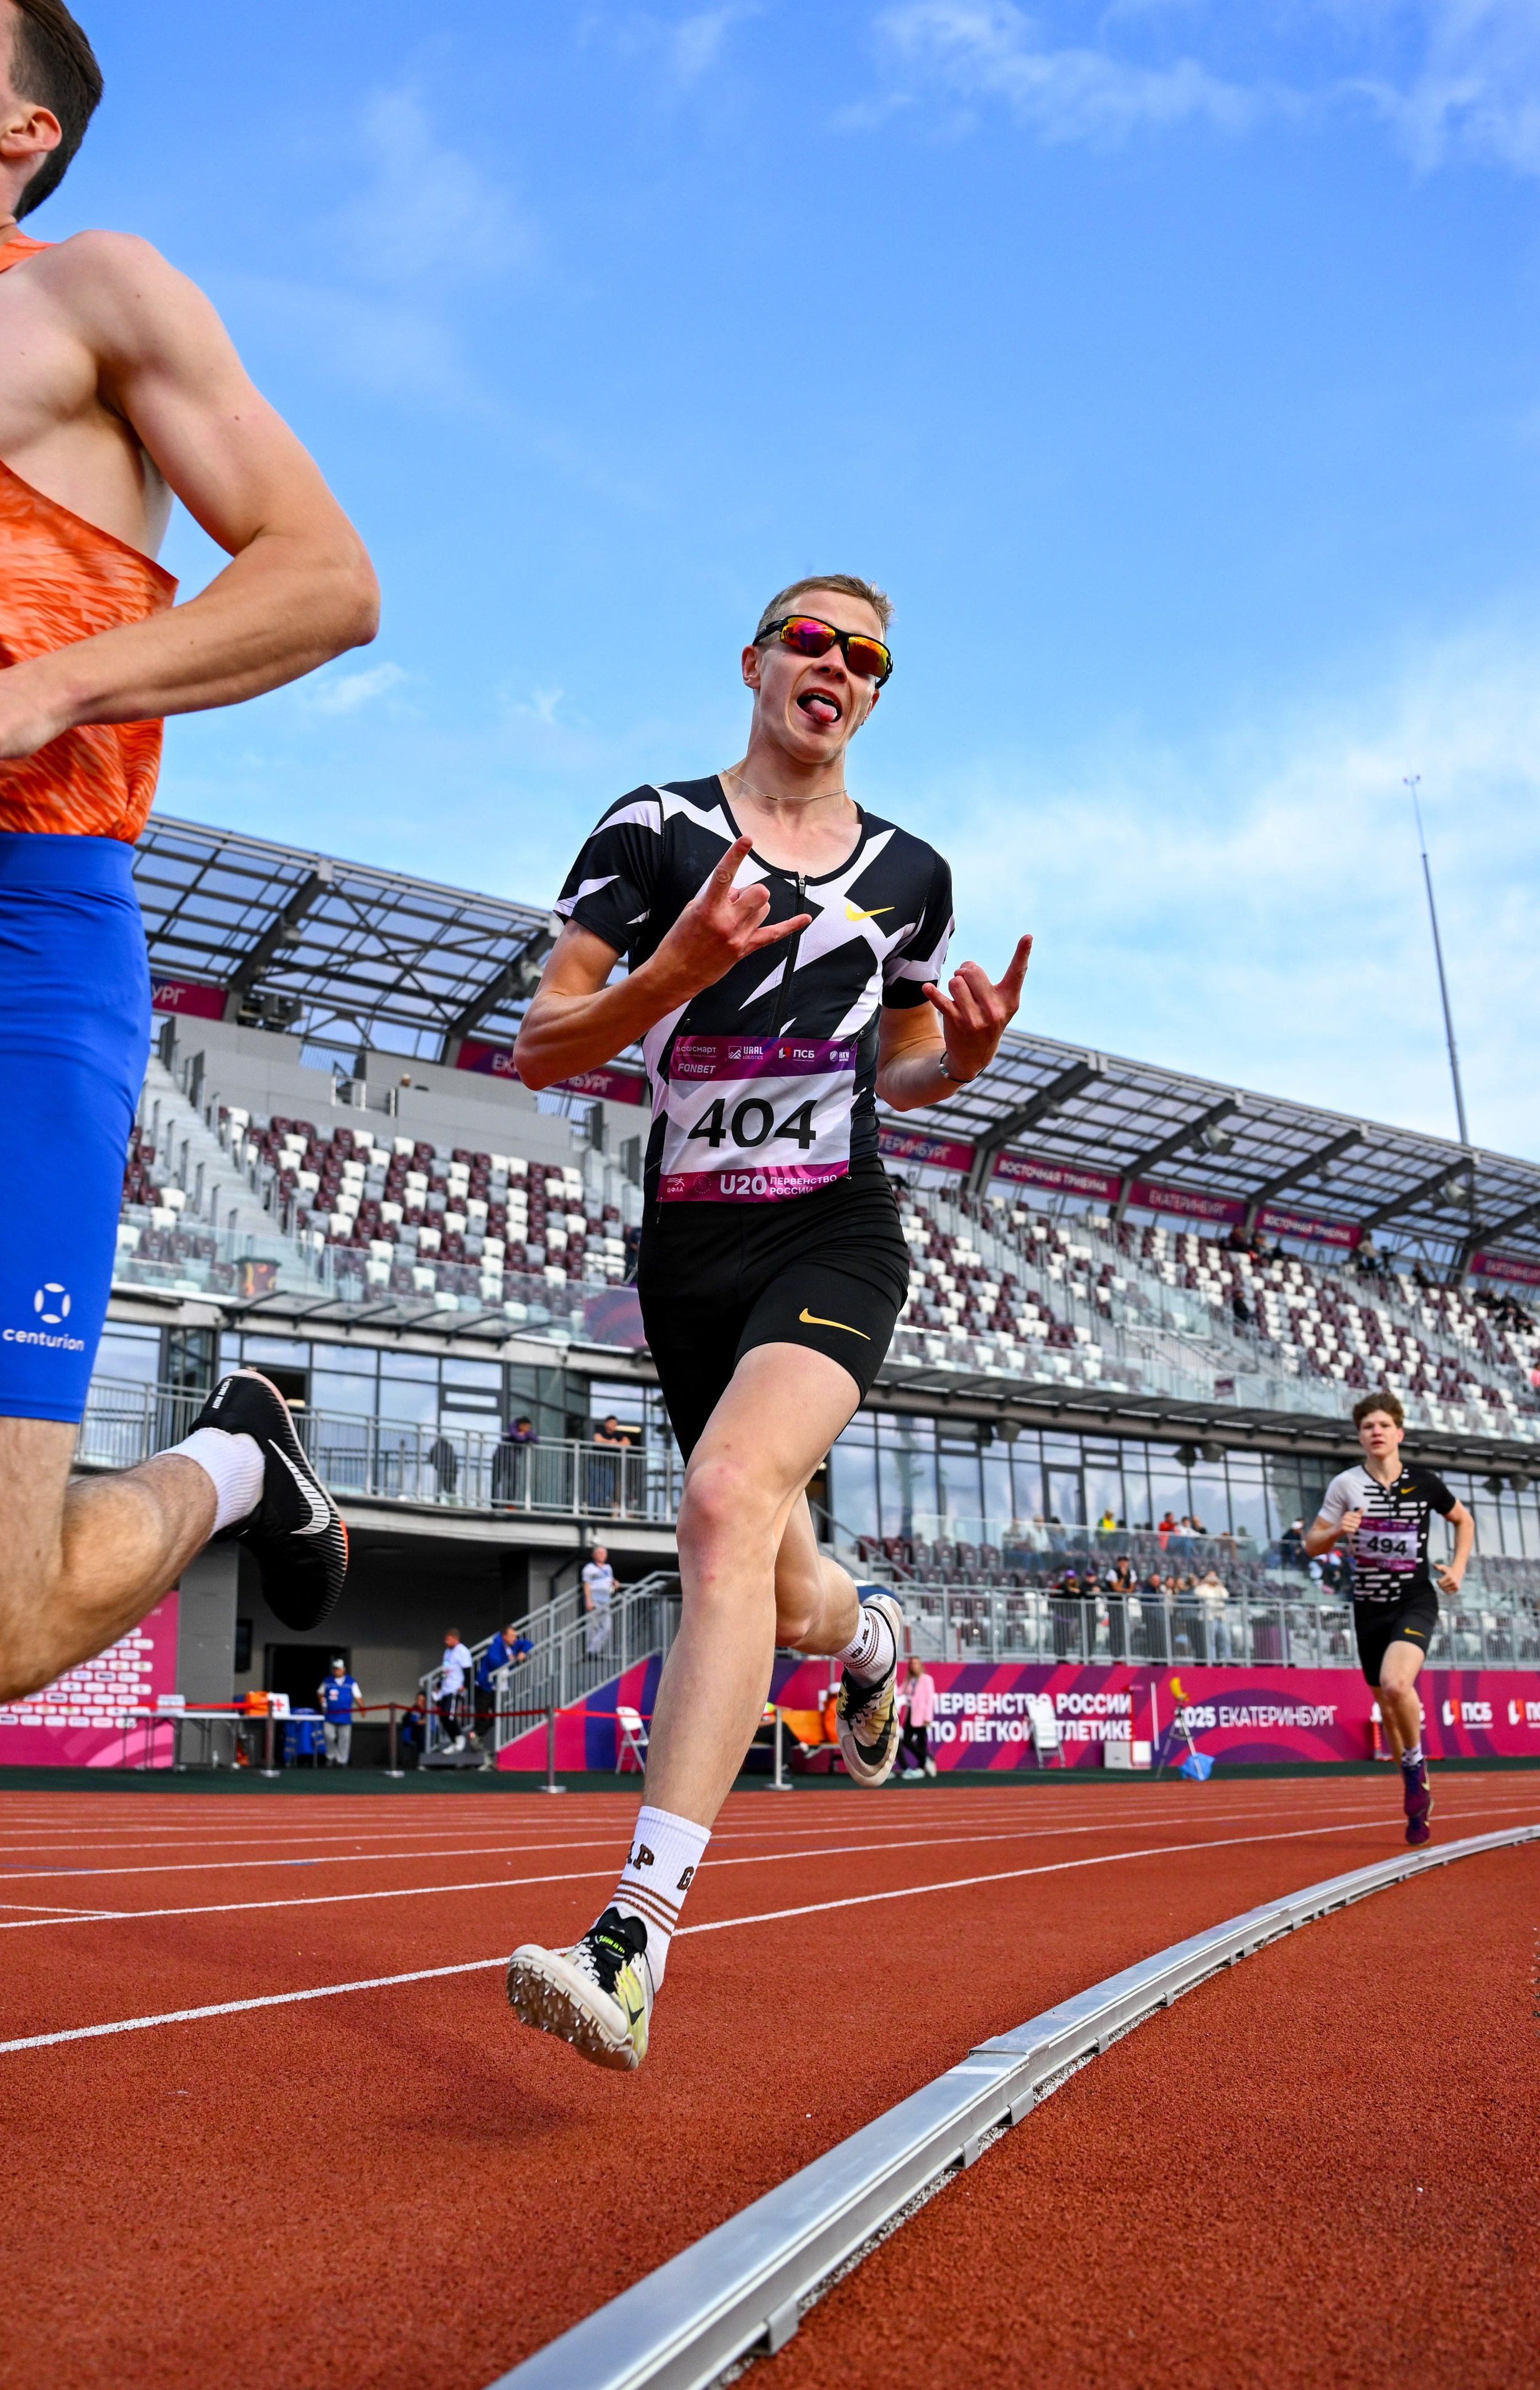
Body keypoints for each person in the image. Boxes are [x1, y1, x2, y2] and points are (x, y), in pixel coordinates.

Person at [505, 573, 1031, 2069]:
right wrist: (676, 971)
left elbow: (901, 1058)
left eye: (865, 656)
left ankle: (630, 1940)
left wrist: (966, 1060)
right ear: (752, 662)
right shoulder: (652, 831)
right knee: (783, 1587)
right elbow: (545, 1041)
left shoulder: (911, 872)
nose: (837, 666)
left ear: (873, 694)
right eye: (811, 638)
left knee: (723, 1503)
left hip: (832, 1230)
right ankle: (868, 1636)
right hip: (692, 1258)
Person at [0, 0, 378, 1712]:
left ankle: (236, 1457)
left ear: (23, 127)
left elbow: (326, 577)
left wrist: (37, 690)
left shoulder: (82, 293)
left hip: (15, 941)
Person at [1305, 1390, 1473, 1847]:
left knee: (1399, 1684)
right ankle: (1413, 1790)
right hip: (1369, 1607)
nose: (1375, 1432)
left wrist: (1457, 1568)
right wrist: (1340, 1530)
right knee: (1388, 1707)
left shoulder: (1425, 1483)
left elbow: (1464, 1520)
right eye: (1367, 1427)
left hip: (1415, 1598)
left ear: (1399, 1433)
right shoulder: (1345, 1486)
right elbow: (1311, 1544)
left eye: (1383, 1425)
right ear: (1360, 1437)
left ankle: (1416, 1767)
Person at [474, 1619, 533, 1768]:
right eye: (512, 1636)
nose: (515, 1639)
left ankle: (476, 1738)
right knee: (482, 1714)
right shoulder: (496, 1644)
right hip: (486, 1686)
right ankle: (475, 1750)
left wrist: (521, 1652)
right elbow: (494, 1661)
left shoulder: (514, 1644)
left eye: (515, 1636)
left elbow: (529, 1644)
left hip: (501, 1687)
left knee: (497, 1715)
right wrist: (510, 1661)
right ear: (504, 1636)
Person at [895, 1655, 936, 1779]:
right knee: (906, 1740)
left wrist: (928, 1717)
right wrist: (891, 1681)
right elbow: (899, 1692)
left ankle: (920, 1767)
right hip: (911, 1714)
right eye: (912, 1664)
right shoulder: (909, 1679)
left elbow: (930, 1699)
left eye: (916, 1663)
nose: (914, 1666)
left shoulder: (926, 1679)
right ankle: (926, 1758)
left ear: (920, 1665)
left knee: (921, 1741)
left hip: (922, 1715)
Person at [317, 1656, 361, 1768]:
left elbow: (357, 1696)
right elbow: (320, 1693)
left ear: (343, 1669)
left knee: (344, 1739)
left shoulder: (351, 1682)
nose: (336, 1671)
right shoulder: (327, 1681)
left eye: (338, 1668)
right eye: (335, 1669)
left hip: (345, 1716)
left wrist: (362, 1708)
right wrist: (323, 1703)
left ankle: (342, 1761)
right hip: (330, 1715)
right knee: (329, 1736)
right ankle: (331, 1757)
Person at [435, 1628, 471, 1754]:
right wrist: (440, 1684)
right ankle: (454, 1740)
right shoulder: (447, 1652)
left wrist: (464, 1685)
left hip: (456, 1689)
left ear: (455, 1639)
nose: (446, 1641)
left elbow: (468, 1670)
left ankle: (460, 1739)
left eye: (448, 1639)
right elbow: (446, 1669)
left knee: (449, 1715)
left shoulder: (462, 1651)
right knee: (443, 1716)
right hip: (446, 1689)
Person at [582, 1544, 617, 1659]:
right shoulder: (589, 1569)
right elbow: (586, 1585)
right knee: (593, 1627)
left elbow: (610, 1583)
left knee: (607, 1627)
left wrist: (615, 1585)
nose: (603, 1556)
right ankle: (592, 1652)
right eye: (601, 1553)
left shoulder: (608, 1568)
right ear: (594, 1555)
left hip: (606, 1601)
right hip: (594, 1601)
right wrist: (589, 1601)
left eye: (605, 1553)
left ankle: (594, 1651)